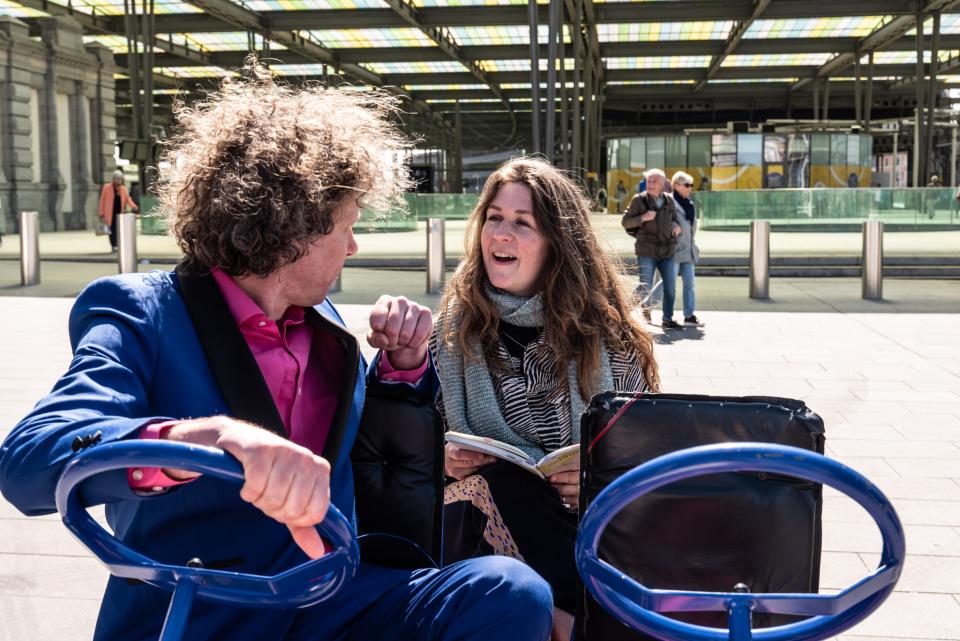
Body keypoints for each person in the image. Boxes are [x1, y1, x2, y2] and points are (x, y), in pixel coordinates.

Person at [0, 60, 553, 641]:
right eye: (347, 226)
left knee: (507, 592)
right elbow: (29, 459)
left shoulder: (326, 323)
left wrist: (401, 366)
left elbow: (353, 450)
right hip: (205, 603)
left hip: (331, 593)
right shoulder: (144, 311)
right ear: (295, 230)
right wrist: (195, 438)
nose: (354, 245)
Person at [431, 157, 660, 641]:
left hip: (585, 523)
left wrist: (599, 478)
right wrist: (445, 459)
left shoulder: (612, 336)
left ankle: (568, 622)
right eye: (494, 218)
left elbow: (647, 450)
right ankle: (584, 627)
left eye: (522, 223)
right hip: (478, 526)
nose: (501, 234)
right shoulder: (451, 331)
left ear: (558, 243)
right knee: (502, 485)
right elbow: (412, 453)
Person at [621, 168, 683, 329]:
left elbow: (674, 219)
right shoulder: (638, 200)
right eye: (648, 180)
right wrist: (643, 217)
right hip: (646, 251)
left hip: (667, 251)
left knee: (670, 288)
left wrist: (676, 225)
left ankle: (667, 319)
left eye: (654, 181)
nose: (650, 184)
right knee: (644, 287)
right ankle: (624, 315)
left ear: (663, 184)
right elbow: (626, 222)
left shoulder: (669, 201)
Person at [670, 171, 704, 328]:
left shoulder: (690, 204)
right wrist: (672, 225)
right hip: (674, 251)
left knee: (690, 284)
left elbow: (691, 228)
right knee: (668, 284)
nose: (690, 188)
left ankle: (689, 316)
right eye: (686, 185)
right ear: (676, 185)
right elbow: (663, 221)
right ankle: (645, 306)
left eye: (691, 185)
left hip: (688, 251)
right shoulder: (669, 202)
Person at [98, 169, 139, 252]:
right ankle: (113, 246)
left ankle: (117, 245)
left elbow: (128, 199)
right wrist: (101, 213)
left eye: (120, 179)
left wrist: (134, 206)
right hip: (109, 213)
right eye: (117, 179)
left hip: (119, 214)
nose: (119, 180)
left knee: (118, 230)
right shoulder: (107, 187)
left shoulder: (123, 189)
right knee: (111, 230)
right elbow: (102, 200)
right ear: (113, 179)